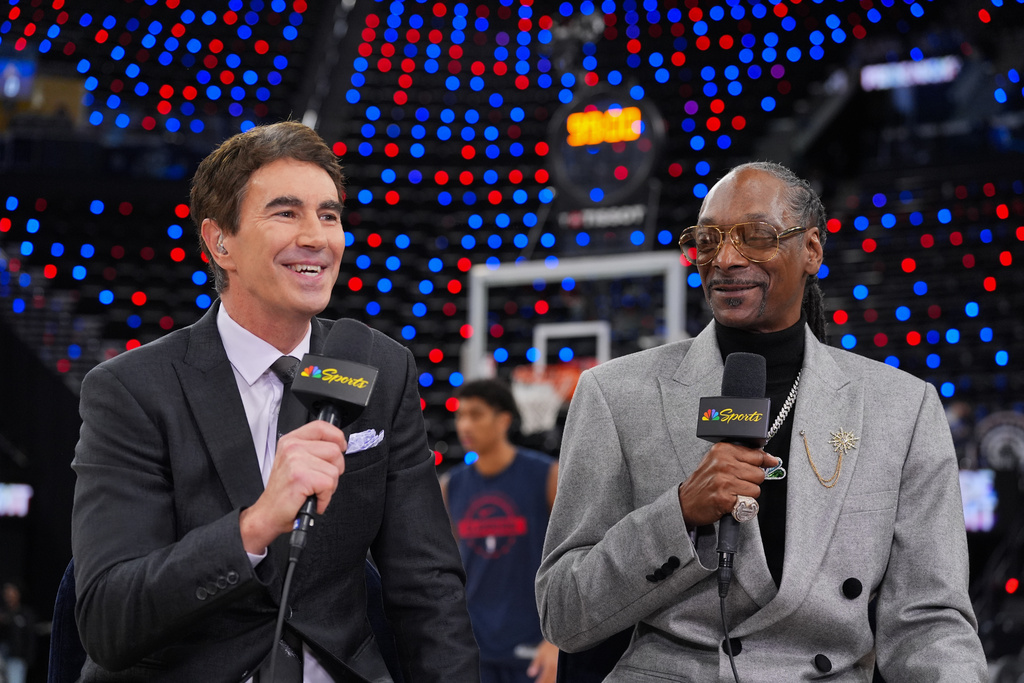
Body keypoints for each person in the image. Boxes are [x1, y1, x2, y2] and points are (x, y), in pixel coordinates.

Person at [535, 162, 987, 681]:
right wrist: (677, 514)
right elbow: (563, 613)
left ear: (811, 250)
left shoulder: (903, 408)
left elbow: (929, 623)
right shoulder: (614, 395)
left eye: (755, 237)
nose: (725, 259)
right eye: (708, 240)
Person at [71, 121, 479, 682]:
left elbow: (427, 586)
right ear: (220, 243)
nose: (317, 237)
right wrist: (256, 525)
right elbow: (107, 619)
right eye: (286, 213)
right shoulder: (132, 390)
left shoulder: (380, 368)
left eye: (329, 215)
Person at [441, 379, 559, 683]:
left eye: (476, 414)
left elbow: (572, 561)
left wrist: (558, 641)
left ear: (504, 419)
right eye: (460, 415)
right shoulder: (450, 486)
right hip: (475, 645)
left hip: (536, 644)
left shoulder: (548, 475)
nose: (465, 425)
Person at [0, 581, 36, 683]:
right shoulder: (2, 612)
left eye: (11, 594)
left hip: (17, 657)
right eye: (7, 594)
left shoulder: (25, 614)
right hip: (2, 656)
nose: (9, 597)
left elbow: (30, 637)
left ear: (18, 594)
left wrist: (29, 657)